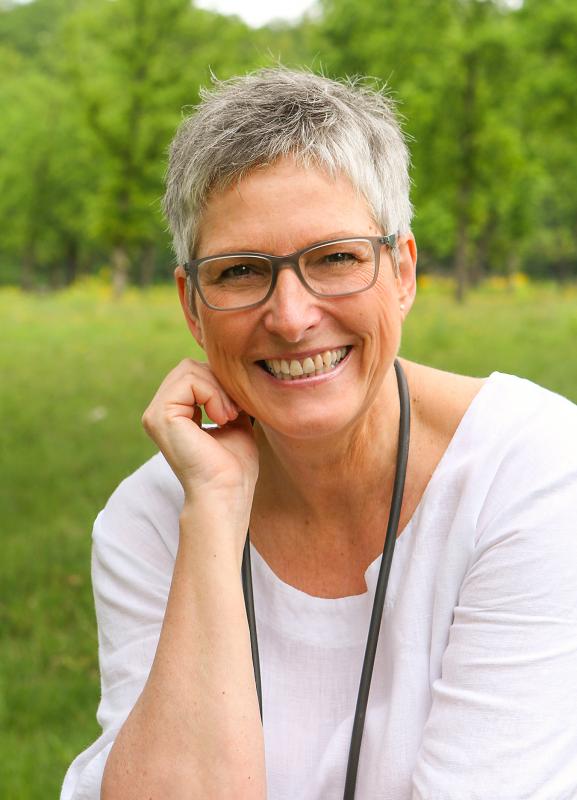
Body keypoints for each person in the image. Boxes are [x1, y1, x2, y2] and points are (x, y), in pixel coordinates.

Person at [61, 68, 577, 800]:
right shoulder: (151, 520)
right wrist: (213, 513)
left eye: (335, 257)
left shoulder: (534, 473)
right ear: (192, 305)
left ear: (402, 271)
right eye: (241, 271)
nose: (291, 317)